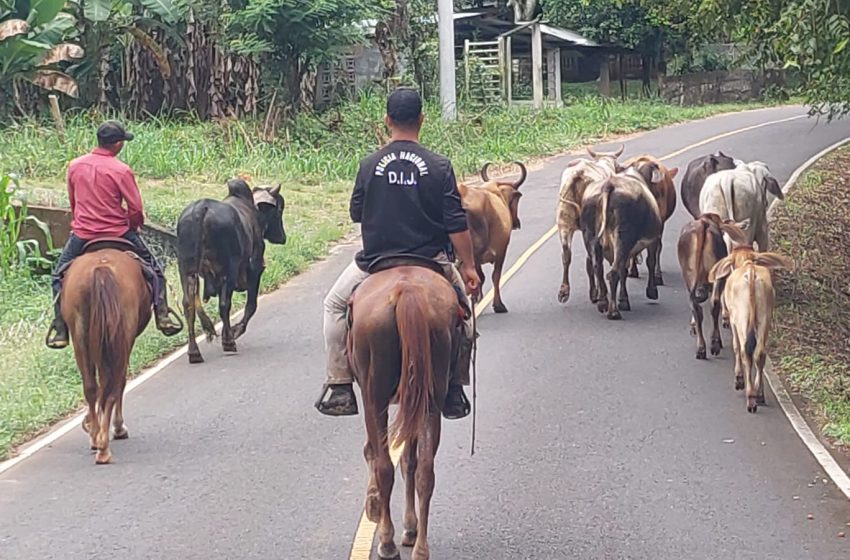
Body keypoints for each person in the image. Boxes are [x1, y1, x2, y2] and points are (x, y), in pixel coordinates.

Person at [316, 87, 480, 420]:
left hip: (376, 262)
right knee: (465, 318)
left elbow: (356, 213)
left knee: (333, 305)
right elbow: (456, 224)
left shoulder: (369, 164)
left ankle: (340, 383)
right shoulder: (439, 165)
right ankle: (453, 387)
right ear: (422, 119)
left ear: (388, 120)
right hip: (431, 261)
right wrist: (470, 267)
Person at [45, 121, 183, 349]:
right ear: (117, 144)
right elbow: (136, 208)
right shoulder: (121, 170)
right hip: (118, 231)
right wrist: (133, 225)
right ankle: (162, 314)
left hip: (83, 234)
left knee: (58, 276)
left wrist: (81, 222)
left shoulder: (75, 166)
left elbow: (73, 202)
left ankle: (60, 327)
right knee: (156, 270)